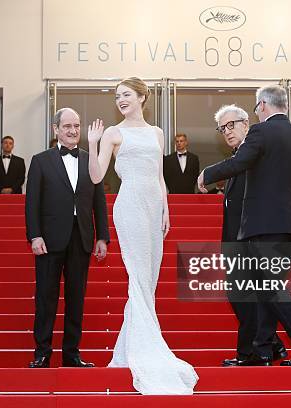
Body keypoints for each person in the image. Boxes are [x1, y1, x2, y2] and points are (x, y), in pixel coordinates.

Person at [198, 85, 291, 367]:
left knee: (268, 288)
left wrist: (207, 174)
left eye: (256, 108)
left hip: (263, 227)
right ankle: (265, 350)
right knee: (269, 287)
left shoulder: (259, 133)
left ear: (263, 105)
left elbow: (240, 162)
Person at [87, 77, 198, 395]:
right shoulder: (112, 132)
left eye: (126, 95)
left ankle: (128, 351)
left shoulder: (157, 133)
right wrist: (93, 143)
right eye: (117, 96)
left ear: (141, 98)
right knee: (138, 278)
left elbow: (160, 176)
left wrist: (166, 208)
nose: (120, 100)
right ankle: (149, 352)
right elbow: (97, 176)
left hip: (152, 206)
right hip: (130, 204)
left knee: (148, 281)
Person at [25, 107, 109, 369]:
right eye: (67, 126)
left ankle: (72, 354)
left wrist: (102, 237)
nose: (73, 131)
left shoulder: (89, 158)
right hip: (49, 239)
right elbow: (32, 204)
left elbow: (99, 201)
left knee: (76, 298)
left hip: (81, 237)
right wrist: (35, 235)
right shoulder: (40, 161)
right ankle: (42, 353)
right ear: (55, 130)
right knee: (46, 297)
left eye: (77, 125)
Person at [211, 104, 287, 367]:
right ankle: (269, 345)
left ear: (247, 124)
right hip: (236, 241)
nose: (227, 132)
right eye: (223, 128)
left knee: (246, 297)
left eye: (232, 125)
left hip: (252, 240)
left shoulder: (256, 155)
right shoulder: (240, 157)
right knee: (243, 296)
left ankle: (253, 353)